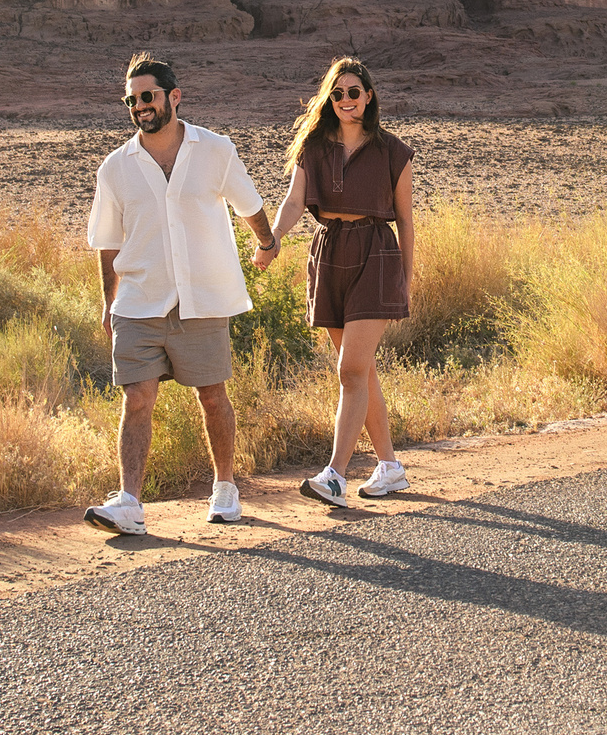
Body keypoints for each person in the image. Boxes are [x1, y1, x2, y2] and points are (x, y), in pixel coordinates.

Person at [82, 51, 280, 535]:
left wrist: (267, 243)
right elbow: (107, 243)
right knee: (137, 399)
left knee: (213, 397)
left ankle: (225, 489)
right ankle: (129, 502)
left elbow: (249, 205)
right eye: (131, 100)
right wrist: (109, 301)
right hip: (139, 301)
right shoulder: (115, 168)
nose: (139, 107)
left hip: (202, 299)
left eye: (147, 96)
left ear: (174, 97)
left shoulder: (216, 150)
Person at [254, 56, 414, 509]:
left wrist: (407, 276)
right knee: (361, 372)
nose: (347, 100)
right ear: (330, 98)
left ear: (369, 97)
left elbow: (405, 220)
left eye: (355, 92)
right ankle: (390, 467)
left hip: (376, 256)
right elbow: (293, 201)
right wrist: (273, 239)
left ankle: (336, 476)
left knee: (349, 371)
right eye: (338, 93)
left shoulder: (392, 151)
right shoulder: (313, 148)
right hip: (328, 253)